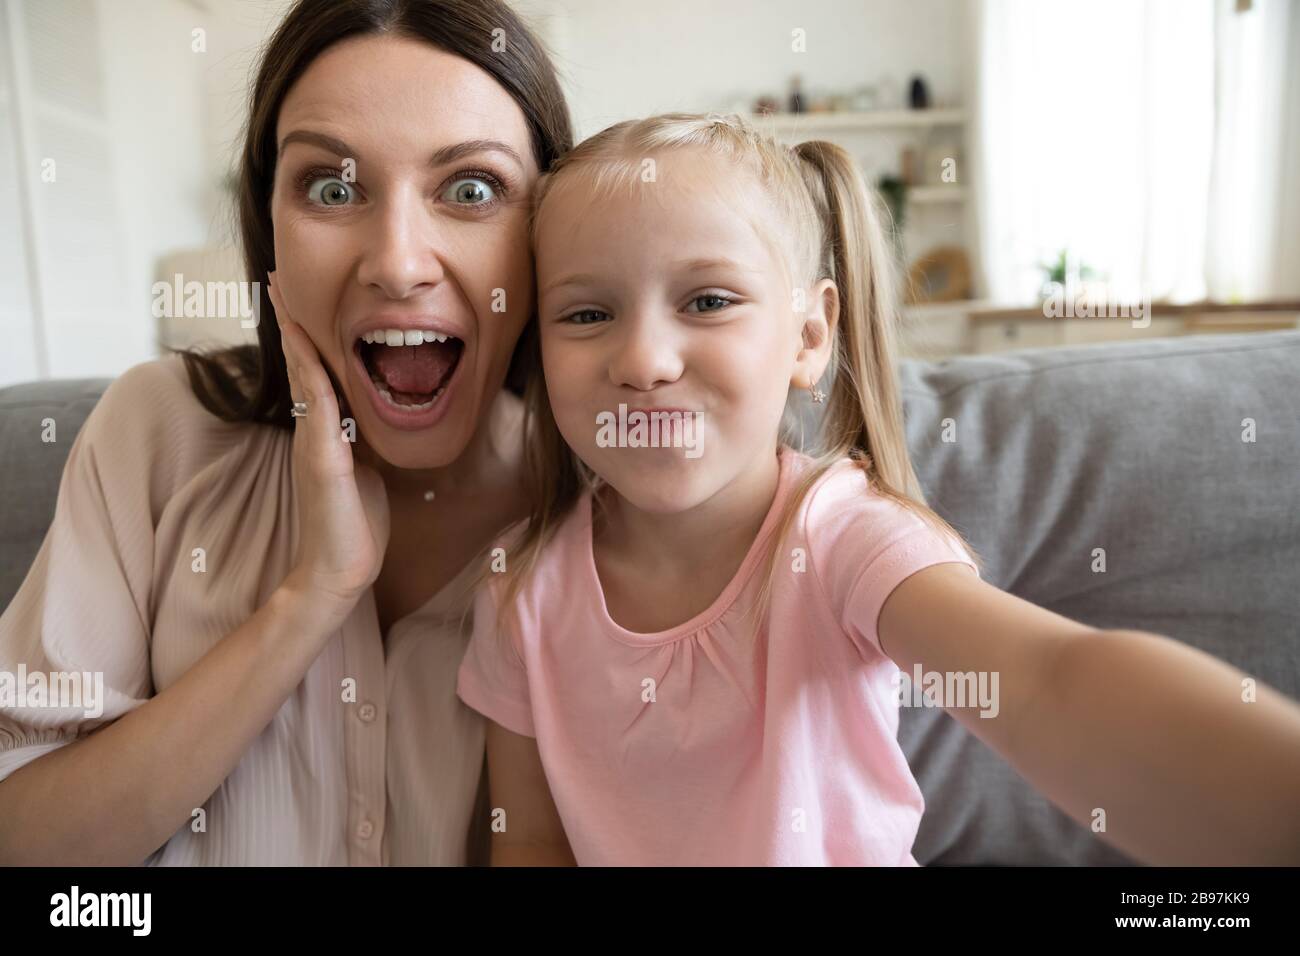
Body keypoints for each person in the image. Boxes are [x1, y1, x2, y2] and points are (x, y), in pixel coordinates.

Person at [456, 112, 1300, 866]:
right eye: (587, 314)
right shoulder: (520, 589)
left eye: (708, 301)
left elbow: (1049, 681)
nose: (642, 362)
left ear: (809, 335)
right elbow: (528, 839)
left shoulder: (842, 537)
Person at [0, 0, 572, 865]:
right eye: (333, 188)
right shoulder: (157, 430)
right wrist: (311, 598)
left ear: (549, 233)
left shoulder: (613, 502)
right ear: (269, 228)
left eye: (471, 189)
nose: (398, 262)